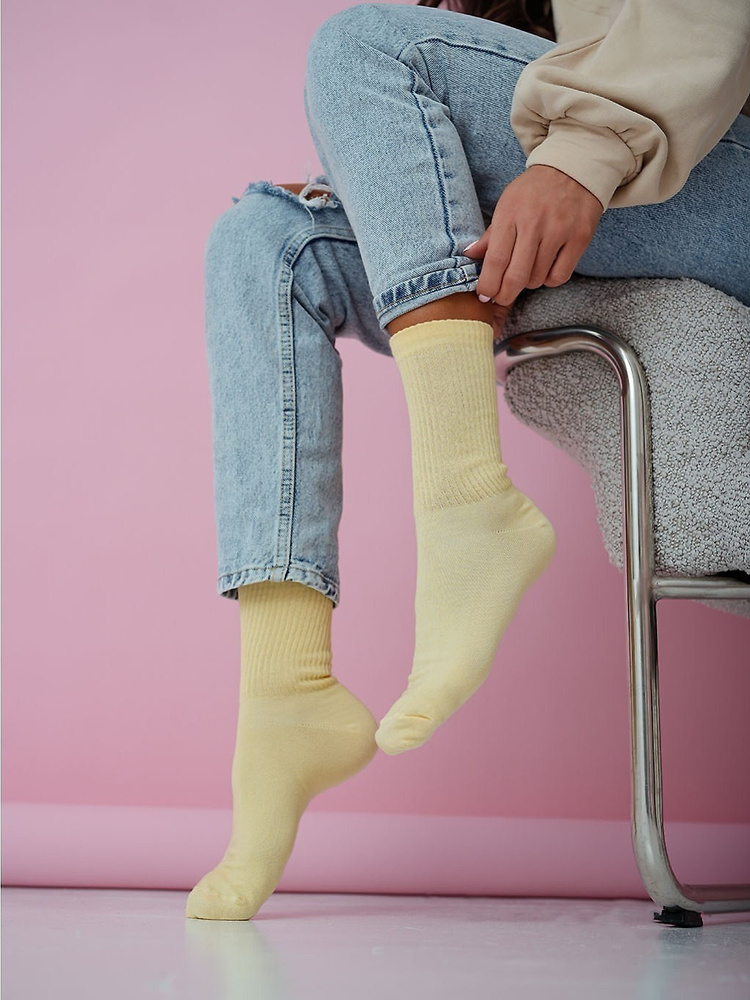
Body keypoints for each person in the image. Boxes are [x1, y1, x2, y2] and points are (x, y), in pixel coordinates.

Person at [186, 0, 750, 921]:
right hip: (611, 187)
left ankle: (467, 499)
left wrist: (580, 157)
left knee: (363, 46)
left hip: (710, 160)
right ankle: (287, 693)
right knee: (265, 241)